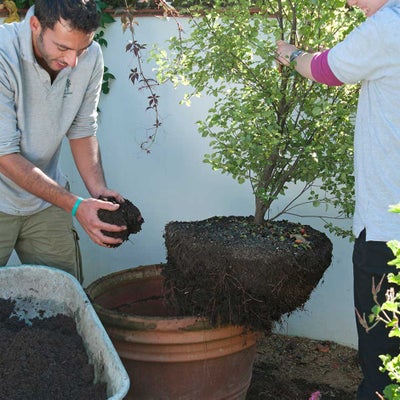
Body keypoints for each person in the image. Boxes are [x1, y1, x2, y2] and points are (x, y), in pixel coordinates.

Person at [276, 0, 400, 398]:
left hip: (389, 229)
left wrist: (289, 52)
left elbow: (324, 70)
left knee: (384, 353)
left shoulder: (388, 26)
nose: (346, 1)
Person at [0, 0, 130, 283]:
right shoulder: (2, 55)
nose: (73, 61)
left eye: (80, 50)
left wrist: (99, 191)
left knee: (64, 299)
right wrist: (74, 205)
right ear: (35, 26)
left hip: (45, 200)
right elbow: (4, 156)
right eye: (62, 48)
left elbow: (82, 128)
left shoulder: (90, 56)